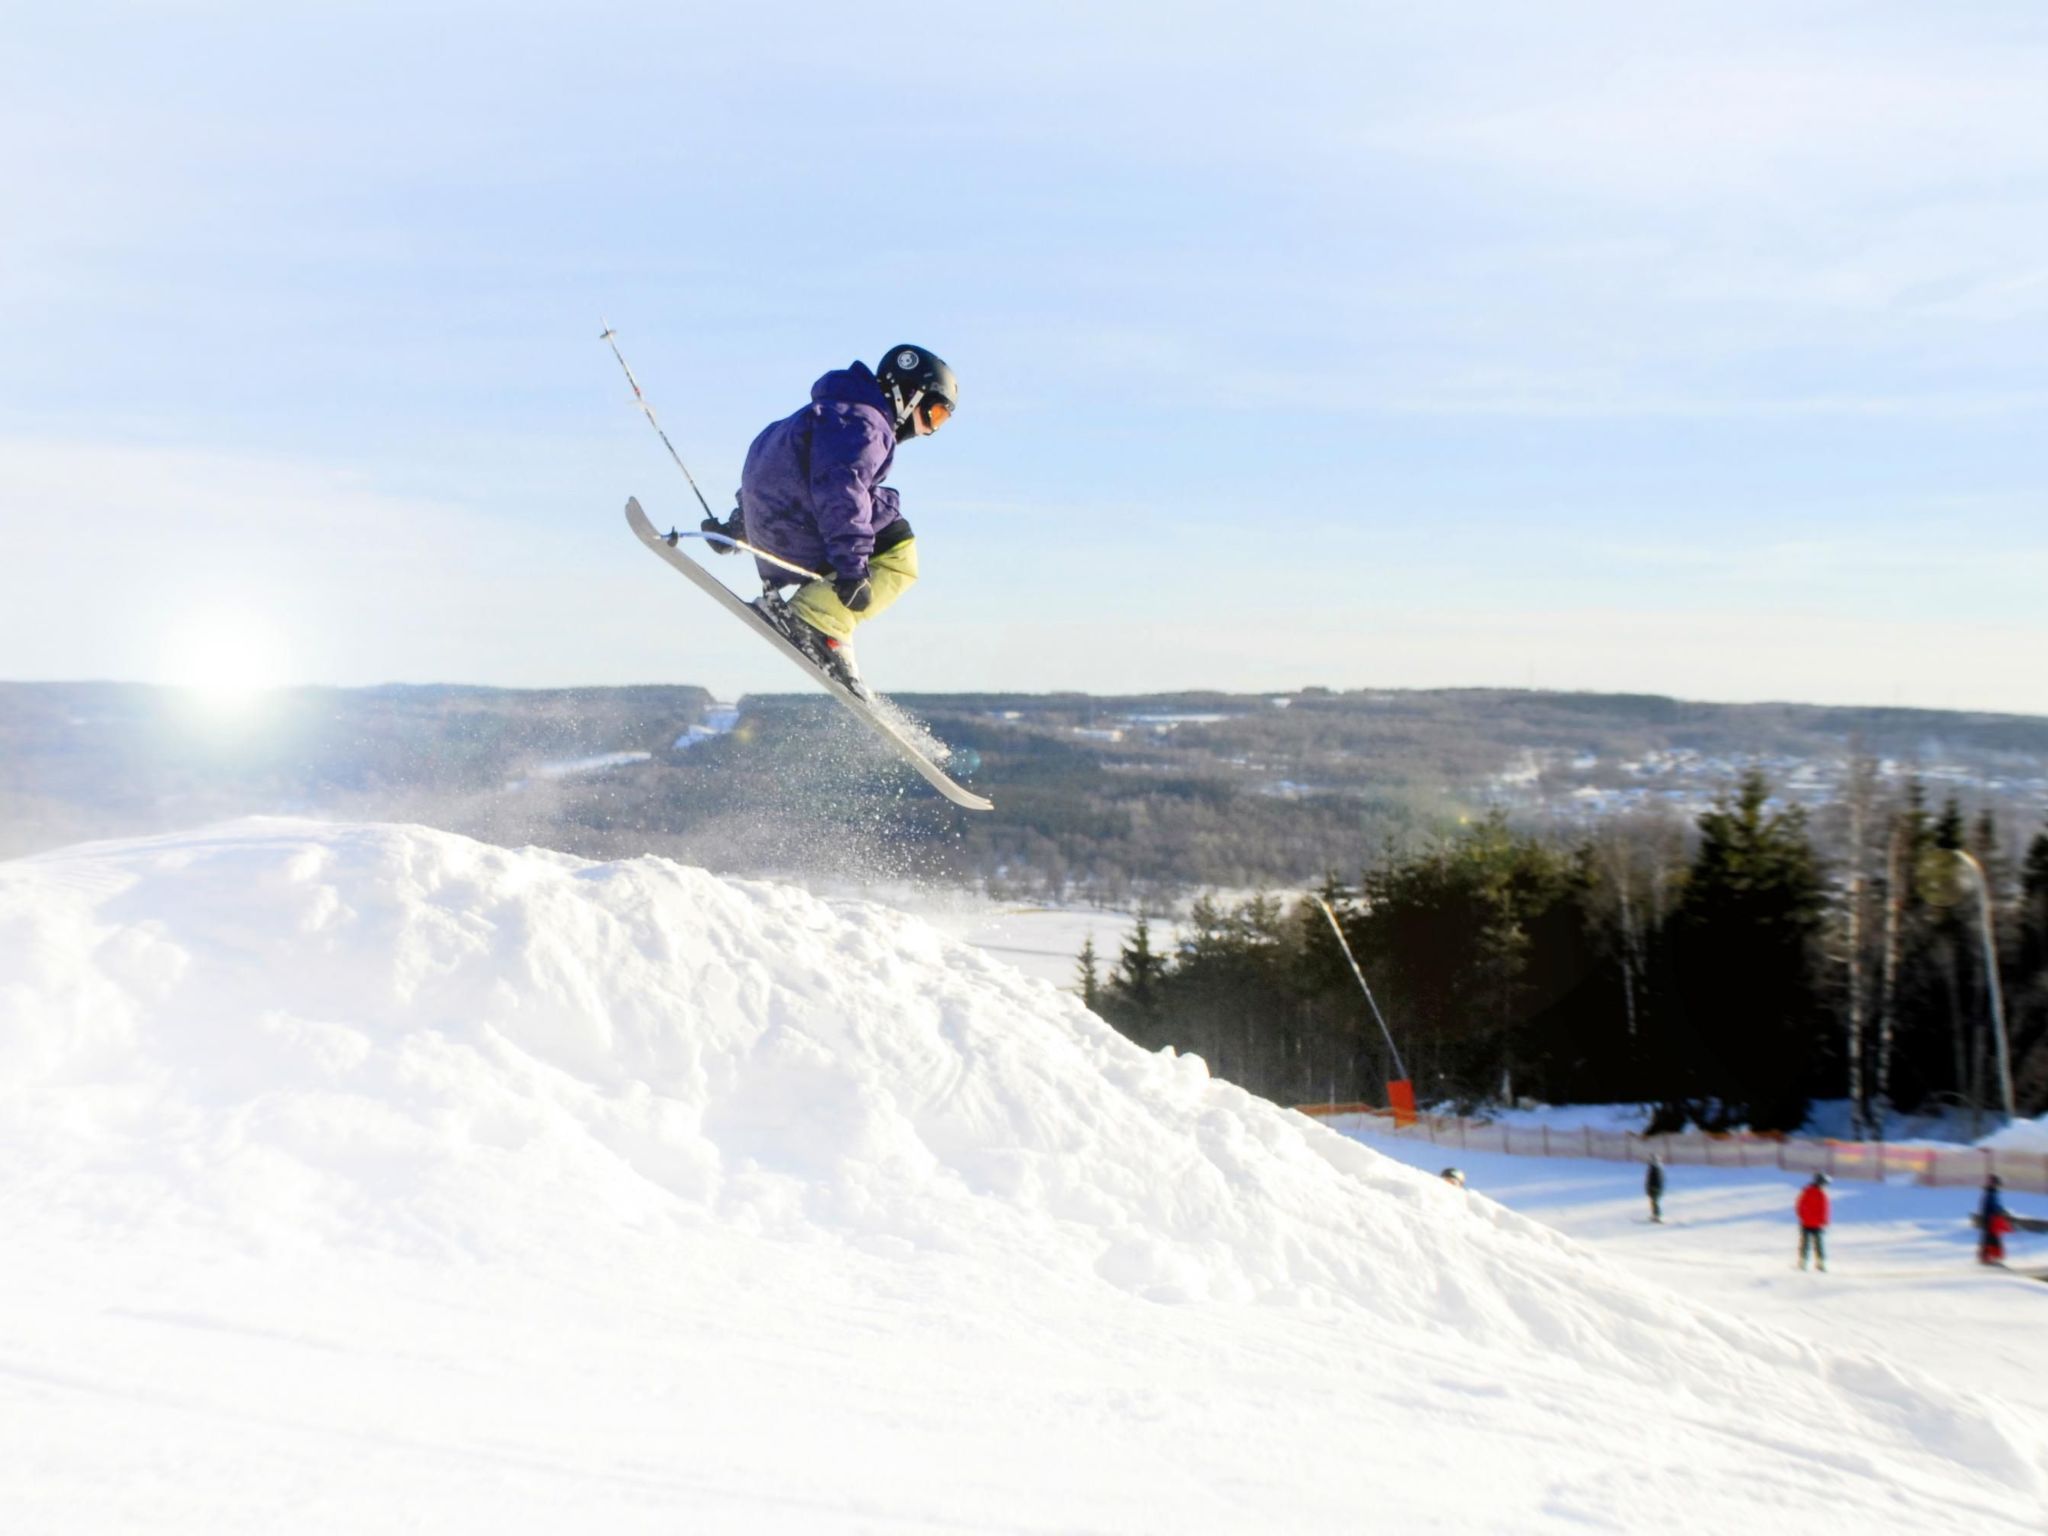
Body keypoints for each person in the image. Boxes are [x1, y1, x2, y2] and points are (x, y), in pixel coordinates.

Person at [704, 345, 958, 698]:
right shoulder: (867, 425)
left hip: (773, 535)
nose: (929, 430)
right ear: (908, 394)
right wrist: (853, 569)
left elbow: (778, 477)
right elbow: (841, 490)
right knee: (900, 551)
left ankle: (817, 612)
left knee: (882, 506)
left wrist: (738, 529)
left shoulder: (821, 413)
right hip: (800, 536)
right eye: (933, 414)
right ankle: (819, 620)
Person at [1795, 1172, 1830, 1271]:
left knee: (1806, 1244)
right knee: (1818, 1244)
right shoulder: (1821, 1194)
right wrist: (1824, 1220)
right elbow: (1824, 1209)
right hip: (1815, 1224)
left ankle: (1804, 1262)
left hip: (1808, 1223)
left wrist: (1802, 1216)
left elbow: (1799, 1206)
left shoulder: (1806, 1191)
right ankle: (1819, 1263)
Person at [1978, 1175, 2013, 1266]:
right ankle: (1988, 1257)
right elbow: (1993, 1206)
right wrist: (2001, 1212)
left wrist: (2003, 1211)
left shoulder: (1991, 1193)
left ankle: (1989, 1256)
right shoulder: (1991, 1193)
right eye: (1995, 1183)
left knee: (1991, 1237)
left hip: (1990, 1218)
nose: (1996, 1186)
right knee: (1991, 1238)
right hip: (1990, 1219)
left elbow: (1995, 1206)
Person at [1645, 1155, 1665, 1223]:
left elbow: (1654, 1179)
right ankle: (1654, 1215)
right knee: (1653, 1202)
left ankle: (1657, 1216)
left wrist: (1653, 1188)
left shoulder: (1655, 1168)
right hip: (1655, 1188)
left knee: (1655, 1202)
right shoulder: (1657, 1168)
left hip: (1655, 1188)